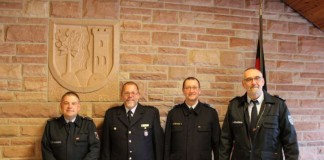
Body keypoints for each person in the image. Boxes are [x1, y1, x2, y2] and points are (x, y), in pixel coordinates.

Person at [219, 67, 299, 160]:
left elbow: (290, 139)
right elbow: (225, 140)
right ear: (243, 84)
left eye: (257, 78)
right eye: (249, 79)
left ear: (263, 81)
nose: (253, 83)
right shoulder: (234, 106)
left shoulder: (278, 105)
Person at [100, 81, 164, 160]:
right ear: (122, 95)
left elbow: (158, 145)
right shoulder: (111, 114)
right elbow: (105, 146)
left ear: (138, 95)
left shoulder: (151, 113)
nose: (130, 96)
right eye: (126, 93)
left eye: (133, 93)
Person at [164, 77, 221, 160]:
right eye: (187, 88)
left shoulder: (210, 113)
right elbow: (167, 145)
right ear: (183, 91)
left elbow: (217, 144)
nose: (191, 91)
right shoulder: (173, 113)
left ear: (199, 91)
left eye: (194, 87)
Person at [41, 91, 100, 160]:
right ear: (61, 106)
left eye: (73, 103)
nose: (70, 106)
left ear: (78, 107)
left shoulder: (88, 124)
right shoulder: (51, 126)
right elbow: (46, 150)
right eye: (66, 103)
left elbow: (95, 148)